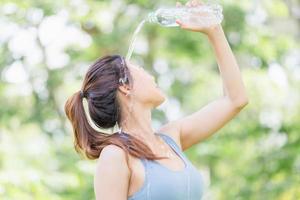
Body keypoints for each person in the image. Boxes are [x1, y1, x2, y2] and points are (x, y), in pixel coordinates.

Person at [64, 0, 249, 199]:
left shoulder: (172, 138)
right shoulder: (116, 156)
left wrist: (214, 30)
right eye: (140, 69)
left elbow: (235, 100)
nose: (151, 76)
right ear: (125, 86)